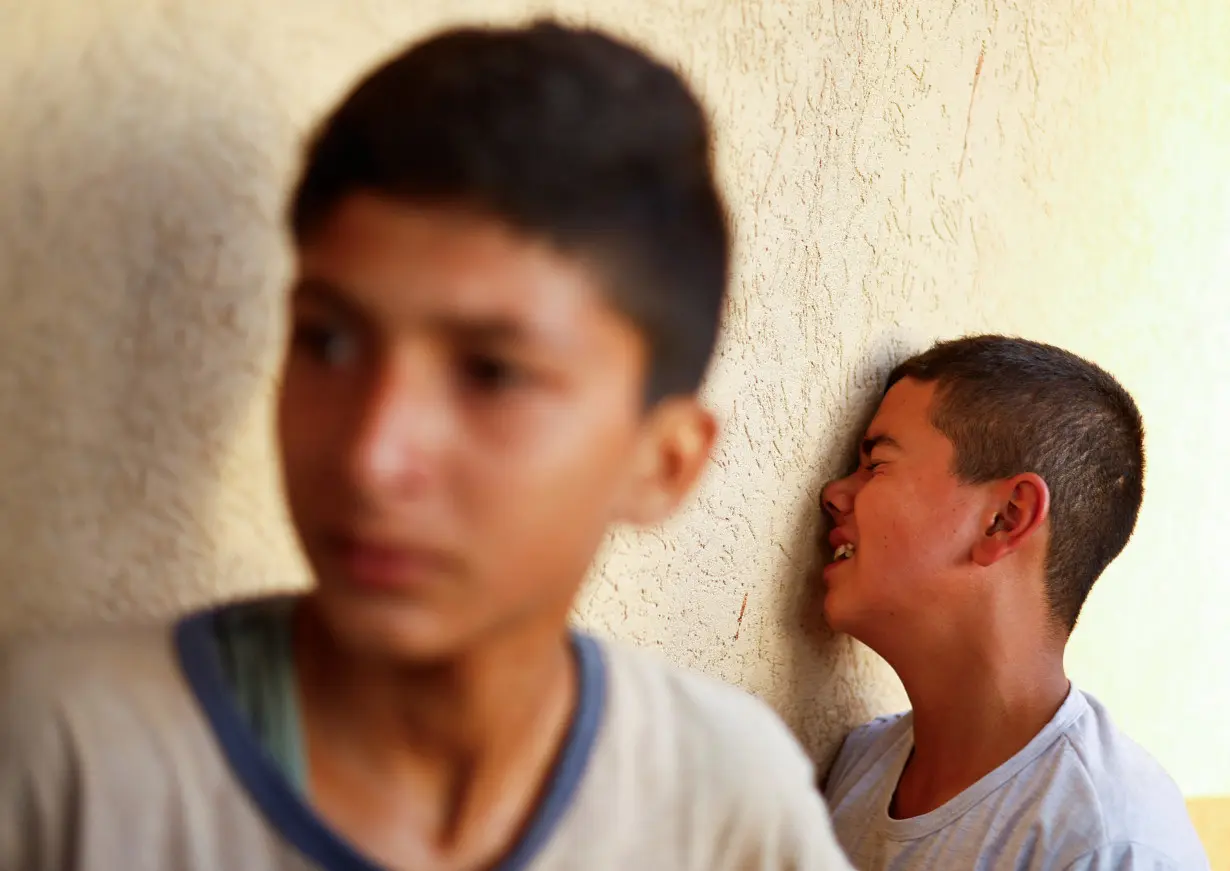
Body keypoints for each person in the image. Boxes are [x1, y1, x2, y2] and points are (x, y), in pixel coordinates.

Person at [0, 20, 854, 871]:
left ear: (661, 462)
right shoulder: (71, 757)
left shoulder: (724, 802)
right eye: (328, 341)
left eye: (490, 373)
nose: (371, 455)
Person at [818, 335, 1209, 870]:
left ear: (1005, 518)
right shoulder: (858, 768)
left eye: (877, 465)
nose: (834, 494)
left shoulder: (1109, 844)